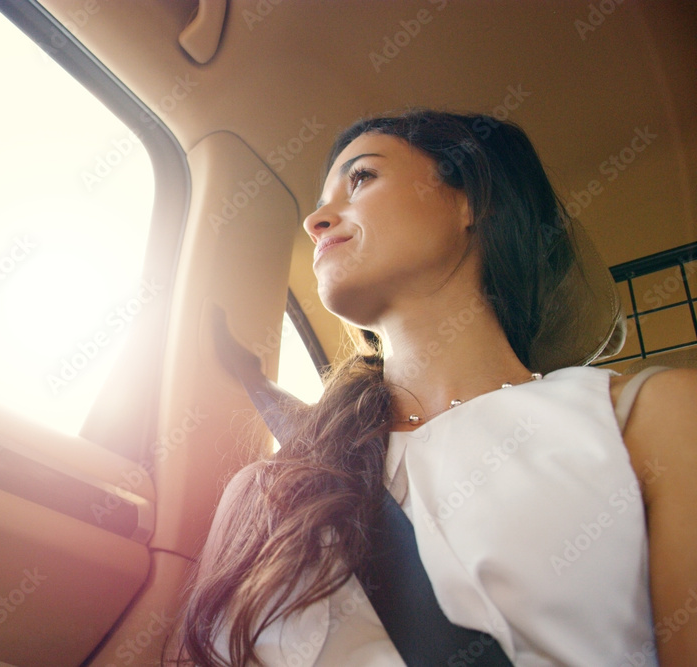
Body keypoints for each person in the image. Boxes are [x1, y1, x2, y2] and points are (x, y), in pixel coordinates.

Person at [173, 110, 697, 665]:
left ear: (469, 201)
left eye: (361, 178)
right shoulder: (272, 489)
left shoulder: (654, 419)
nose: (315, 220)